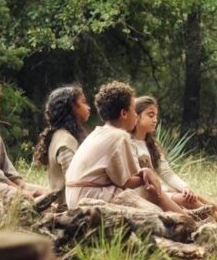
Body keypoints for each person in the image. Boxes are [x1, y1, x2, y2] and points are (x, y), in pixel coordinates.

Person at [64, 81, 186, 213]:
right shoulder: (119, 136)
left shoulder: (99, 132)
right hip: (89, 197)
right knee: (151, 196)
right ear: (124, 113)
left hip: (75, 196)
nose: (136, 115)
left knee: (148, 193)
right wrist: (147, 175)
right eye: (134, 110)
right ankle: (186, 220)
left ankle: (185, 216)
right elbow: (126, 182)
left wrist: (145, 172)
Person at [132, 96, 217, 222]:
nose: (155, 120)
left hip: (158, 190)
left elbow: (167, 173)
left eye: (156, 116)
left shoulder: (150, 145)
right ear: (136, 116)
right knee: (187, 199)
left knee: (192, 195)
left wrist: (184, 187)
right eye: (150, 115)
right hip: (144, 195)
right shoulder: (127, 143)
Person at [33, 85, 90, 206]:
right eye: (83, 102)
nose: (88, 107)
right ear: (72, 106)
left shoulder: (62, 135)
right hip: (67, 205)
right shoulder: (65, 140)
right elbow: (74, 181)